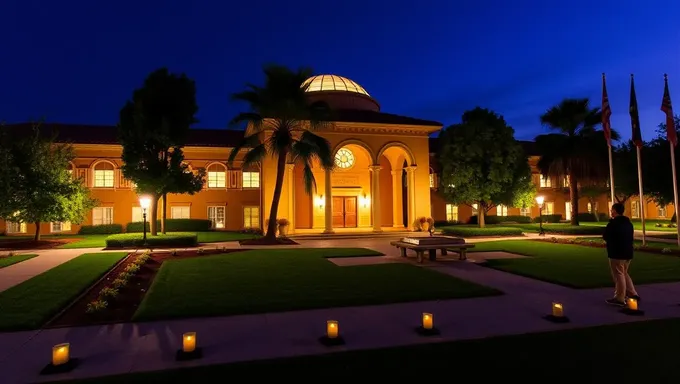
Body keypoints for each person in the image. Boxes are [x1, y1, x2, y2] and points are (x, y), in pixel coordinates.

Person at [602, 202, 640, 306]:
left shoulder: (613, 224)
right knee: (624, 273)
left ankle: (619, 297)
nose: (611, 212)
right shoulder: (628, 223)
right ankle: (632, 293)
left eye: (612, 210)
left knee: (618, 275)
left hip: (616, 253)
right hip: (628, 252)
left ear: (614, 211)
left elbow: (606, 236)